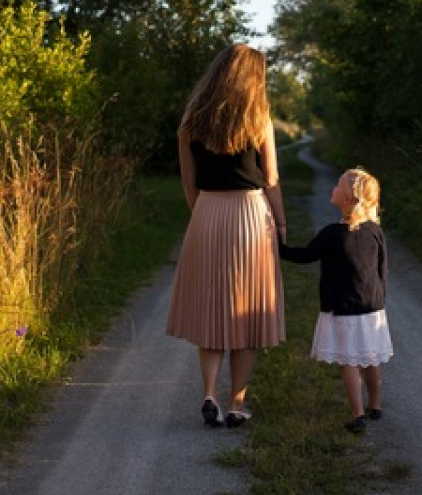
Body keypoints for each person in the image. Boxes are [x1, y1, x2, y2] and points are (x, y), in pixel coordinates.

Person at [166, 43, 287, 428]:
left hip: (207, 213)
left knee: (211, 311)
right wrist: (281, 224)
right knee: (246, 313)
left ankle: (208, 395)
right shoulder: (258, 118)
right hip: (250, 214)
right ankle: (236, 403)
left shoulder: (191, 122)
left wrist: (203, 215)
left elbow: (189, 183)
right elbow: (270, 180)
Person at [278, 167, 392, 434]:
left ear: (349, 199)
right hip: (372, 309)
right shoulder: (375, 231)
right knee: (371, 358)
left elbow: (305, 255)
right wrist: (379, 299)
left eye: (338, 185)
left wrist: (276, 246)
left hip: (343, 309)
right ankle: (375, 406)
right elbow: (382, 269)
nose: (333, 188)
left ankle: (357, 415)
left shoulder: (331, 234)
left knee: (349, 362)